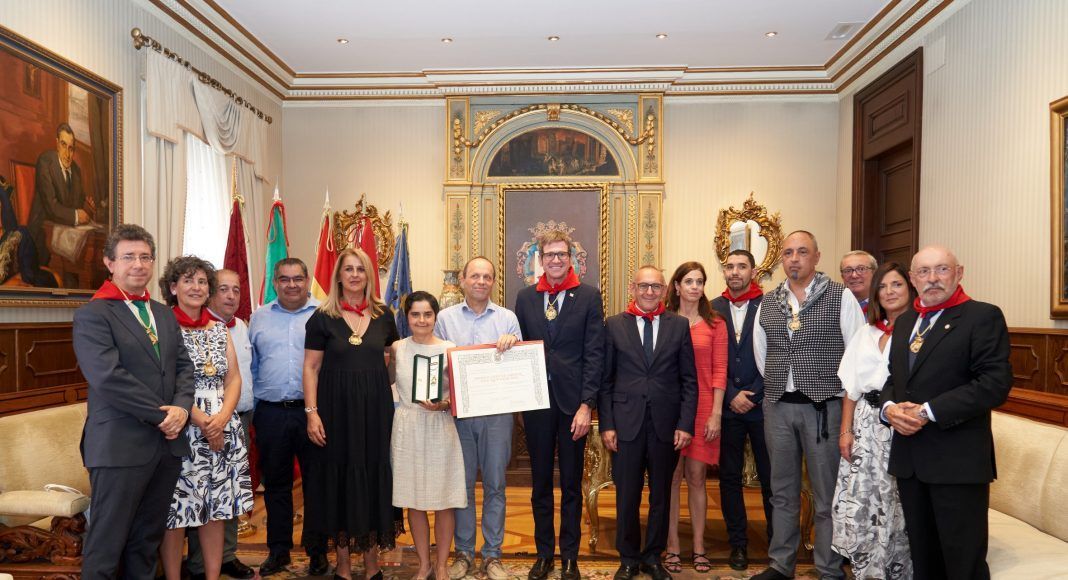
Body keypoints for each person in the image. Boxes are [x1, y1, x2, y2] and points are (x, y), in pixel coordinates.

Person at [880, 246, 1012, 579]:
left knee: (962, 563)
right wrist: (889, 408)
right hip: (911, 461)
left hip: (958, 462)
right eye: (923, 272)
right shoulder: (907, 320)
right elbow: (894, 380)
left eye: (942, 269)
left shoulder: (982, 316)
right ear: (913, 279)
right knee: (924, 561)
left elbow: (994, 384)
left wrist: (927, 411)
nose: (932, 279)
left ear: (959, 273)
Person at [73, 224, 193, 580]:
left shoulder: (163, 313)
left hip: (166, 447)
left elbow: (184, 367)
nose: (138, 264)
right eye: (128, 257)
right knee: (107, 545)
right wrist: (163, 415)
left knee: (146, 541)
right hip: (119, 448)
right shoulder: (93, 315)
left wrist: (183, 409)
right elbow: (108, 377)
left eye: (145, 257)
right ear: (109, 263)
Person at [751, 231, 865, 580]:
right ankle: (780, 565)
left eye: (803, 252)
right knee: (781, 491)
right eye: (788, 253)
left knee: (826, 494)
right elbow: (761, 353)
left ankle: (829, 569)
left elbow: (856, 355)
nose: (794, 258)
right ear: (781, 260)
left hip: (824, 409)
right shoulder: (768, 302)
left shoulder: (840, 297)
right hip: (778, 408)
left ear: (817, 257)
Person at [303, 247, 401, 580]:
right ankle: (344, 565)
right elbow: (311, 367)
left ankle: (372, 564)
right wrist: (312, 413)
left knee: (374, 480)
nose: (355, 274)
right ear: (338, 276)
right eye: (349, 269)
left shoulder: (384, 316)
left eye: (361, 269)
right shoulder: (322, 317)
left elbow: (392, 361)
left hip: (375, 412)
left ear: (369, 276)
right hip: (335, 412)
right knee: (340, 483)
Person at [513, 231, 604, 580]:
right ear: (540, 259)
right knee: (539, 485)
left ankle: (570, 557)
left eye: (561, 254)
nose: (555, 260)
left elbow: (595, 355)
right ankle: (543, 554)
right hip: (536, 405)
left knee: (570, 484)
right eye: (548, 254)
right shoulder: (524, 299)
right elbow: (518, 348)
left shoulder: (588, 297)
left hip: (573, 407)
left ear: (571, 258)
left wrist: (587, 405)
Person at [158, 256, 253, 580]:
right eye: (188, 280)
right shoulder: (163, 327)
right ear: (173, 287)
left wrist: (223, 418)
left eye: (201, 282)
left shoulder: (219, 328)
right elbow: (164, 383)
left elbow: (235, 378)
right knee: (178, 512)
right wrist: (202, 421)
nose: (196, 287)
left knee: (217, 509)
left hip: (223, 428)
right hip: (182, 428)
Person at [600, 265, 697, 580]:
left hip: (665, 426)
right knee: (626, 494)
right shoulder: (614, 325)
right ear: (633, 288)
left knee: (661, 495)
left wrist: (684, 425)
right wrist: (608, 425)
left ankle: (653, 557)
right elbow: (606, 381)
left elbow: (689, 381)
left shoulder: (679, 326)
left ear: (665, 290)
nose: (650, 292)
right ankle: (628, 558)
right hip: (625, 424)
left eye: (656, 286)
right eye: (644, 286)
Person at [435, 256, 521, 580]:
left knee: (496, 484)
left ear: (493, 281)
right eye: (475, 276)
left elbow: (519, 368)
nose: (481, 282)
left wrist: (514, 345)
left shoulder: (508, 319)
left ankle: (493, 556)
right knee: (464, 486)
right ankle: (464, 554)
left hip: (497, 415)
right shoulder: (444, 319)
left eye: (487, 277)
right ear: (463, 280)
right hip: (459, 414)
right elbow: (439, 366)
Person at [831, 262, 915, 579]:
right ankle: (867, 570)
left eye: (897, 285)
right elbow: (851, 387)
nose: (889, 292)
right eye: (883, 286)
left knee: (896, 504)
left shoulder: (920, 331)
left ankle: (898, 570)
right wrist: (845, 432)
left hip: (901, 426)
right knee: (862, 502)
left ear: (910, 289)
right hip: (865, 425)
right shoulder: (866, 333)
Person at [248, 258, 329, 576]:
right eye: (284, 279)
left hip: (315, 414)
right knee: (277, 486)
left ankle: (317, 551)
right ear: (275, 282)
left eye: (298, 278)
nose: (292, 284)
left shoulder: (325, 314)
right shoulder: (259, 317)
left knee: (316, 485)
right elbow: (251, 367)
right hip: (271, 414)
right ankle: (278, 551)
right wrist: (255, 413)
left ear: (308, 279)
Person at [390, 291, 466, 580]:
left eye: (427, 314)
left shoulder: (450, 348)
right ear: (407, 317)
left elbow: (458, 394)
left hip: (440, 426)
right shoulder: (398, 347)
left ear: (436, 317)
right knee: (415, 499)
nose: (421, 320)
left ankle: (443, 564)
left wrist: (444, 403)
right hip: (407, 427)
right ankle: (424, 564)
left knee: (444, 499)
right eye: (415, 314)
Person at [185, 269, 256, 580]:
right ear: (211, 293)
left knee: (228, 497)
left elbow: (239, 376)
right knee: (196, 498)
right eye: (223, 289)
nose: (231, 296)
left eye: (236, 290)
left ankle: (226, 557)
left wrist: (228, 417)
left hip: (238, 419)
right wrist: (211, 421)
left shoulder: (241, 326)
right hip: (196, 425)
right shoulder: (187, 328)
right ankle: (197, 565)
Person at [711, 250, 773, 572]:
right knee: (729, 479)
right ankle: (738, 544)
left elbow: (779, 354)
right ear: (724, 270)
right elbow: (709, 359)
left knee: (770, 479)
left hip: (763, 407)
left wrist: (755, 394)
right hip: (728, 407)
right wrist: (732, 395)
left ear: (752, 270)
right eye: (730, 266)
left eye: (742, 266)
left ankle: (777, 545)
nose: (735, 272)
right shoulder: (713, 308)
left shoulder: (770, 304)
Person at [663, 262, 727, 575]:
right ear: (676, 286)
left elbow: (719, 372)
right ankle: (672, 545)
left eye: (700, 281)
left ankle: (699, 546)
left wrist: (716, 414)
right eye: (688, 281)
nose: (695, 287)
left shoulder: (715, 324)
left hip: (703, 410)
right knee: (671, 478)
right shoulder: (663, 321)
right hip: (669, 410)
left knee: (697, 478)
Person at [29, 122, 93, 267]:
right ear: (57, 143)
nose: (67, 153)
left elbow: (77, 203)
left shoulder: (75, 170)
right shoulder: (45, 162)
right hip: (42, 236)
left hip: (66, 233)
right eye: (64, 145)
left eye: (71, 148)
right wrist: (77, 215)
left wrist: (87, 205)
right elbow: (51, 207)